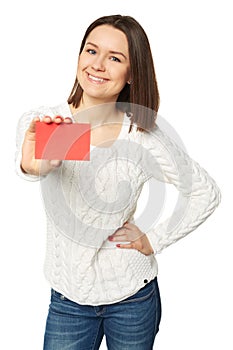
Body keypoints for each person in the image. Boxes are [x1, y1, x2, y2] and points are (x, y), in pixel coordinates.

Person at [15, 14, 221, 350]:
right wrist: (35, 163)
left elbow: (205, 192)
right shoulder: (50, 123)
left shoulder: (142, 137)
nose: (98, 65)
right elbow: (35, 167)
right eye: (91, 51)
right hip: (68, 299)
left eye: (114, 58)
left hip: (132, 298)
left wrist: (154, 238)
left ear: (131, 73)